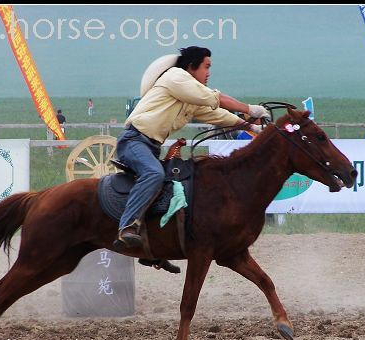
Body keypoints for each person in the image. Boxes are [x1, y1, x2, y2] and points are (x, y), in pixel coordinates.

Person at [114, 46, 270, 249]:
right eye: (206, 66)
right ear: (191, 66)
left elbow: (218, 115)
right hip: (134, 142)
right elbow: (215, 99)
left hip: (149, 147)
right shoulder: (176, 76)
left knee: (170, 186)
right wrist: (250, 109)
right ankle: (126, 227)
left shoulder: (189, 98)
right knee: (154, 175)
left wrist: (251, 127)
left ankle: (154, 242)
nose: (209, 73)